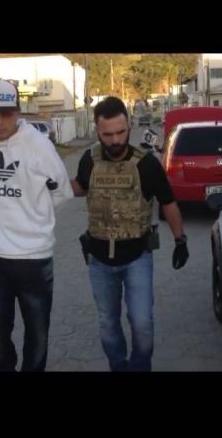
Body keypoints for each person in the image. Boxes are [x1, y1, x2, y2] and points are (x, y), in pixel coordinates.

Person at [70, 96, 189, 372]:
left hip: (137, 258)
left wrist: (180, 240)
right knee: (108, 322)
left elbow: (168, 201)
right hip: (99, 260)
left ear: (129, 126)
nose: (115, 140)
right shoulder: (89, 159)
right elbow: (80, 187)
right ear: (97, 131)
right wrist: (47, 182)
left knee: (142, 322)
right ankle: (118, 366)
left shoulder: (146, 164)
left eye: (120, 132)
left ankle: (139, 366)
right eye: (107, 135)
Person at [0, 78, 74, 372]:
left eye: (7, 114)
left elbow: (62, 190)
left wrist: (34, 213)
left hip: (34, 257)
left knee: (37, 335)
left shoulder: (39, 146)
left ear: (18, 112)